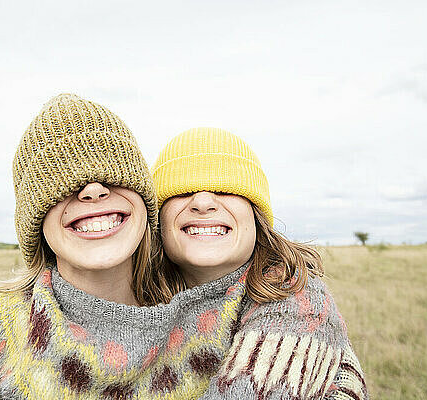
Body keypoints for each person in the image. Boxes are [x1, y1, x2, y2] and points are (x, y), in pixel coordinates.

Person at [0, 95, 250, 399]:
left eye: (114, 175)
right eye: (60, 185)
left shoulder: (225, 318)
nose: (92, 190)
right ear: (35, 222)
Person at [152, 127, 368, 399]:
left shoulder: (297, 301)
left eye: (224, 188)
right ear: (158, 218)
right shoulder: (135, 300)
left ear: (256, 215)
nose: (203, 202)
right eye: (181, 191)